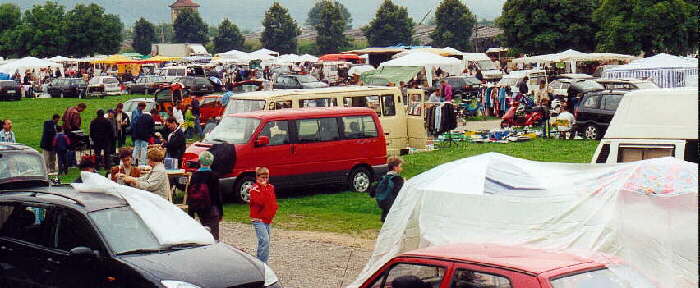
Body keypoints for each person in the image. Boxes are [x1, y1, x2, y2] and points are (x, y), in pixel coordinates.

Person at [187, 151, 223, 240]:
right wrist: (220, 212)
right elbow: (217, 195)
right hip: (211, 208)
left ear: (199, 161)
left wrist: (191, 211)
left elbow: (191, 193)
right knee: (214, 235)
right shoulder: (213, 176)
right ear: (211, 162)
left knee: (204, 230)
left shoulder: (195, 175)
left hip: (199, 207)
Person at [249, 167, 278, 263]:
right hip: (258, 219)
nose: (265, 179)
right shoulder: (254, 189)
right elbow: (260, 201)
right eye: (263, 177)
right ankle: (262, 263)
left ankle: (259, 261)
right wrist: (262, 187)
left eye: (267, 177)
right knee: (264, 240)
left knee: (265, 242)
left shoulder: (270, 187)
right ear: (258, 177)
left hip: (267, 219)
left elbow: (271, 200)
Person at [374, 156, 405, 222]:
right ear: (395, 168)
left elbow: (373, 190)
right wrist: (404, 183)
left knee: (386, 215)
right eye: (400, 166)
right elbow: (398, 192)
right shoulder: (397, 179)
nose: (402, 168)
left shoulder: (384, 177)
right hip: (392, 203)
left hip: (383, 201)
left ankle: (384, 219)